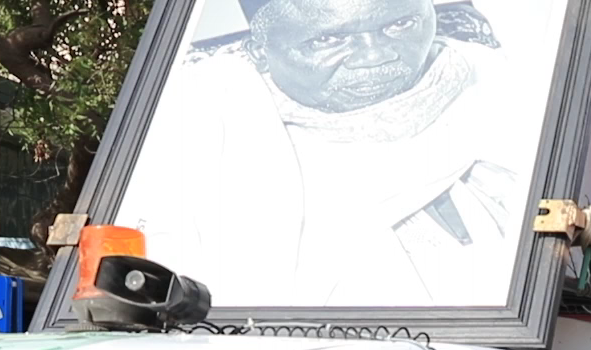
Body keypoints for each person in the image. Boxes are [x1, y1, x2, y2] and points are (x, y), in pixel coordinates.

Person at [117, 0, 541, 307]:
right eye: (330, 38)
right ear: (261, 50)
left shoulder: (512, 87)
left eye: (400, 24)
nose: (377, 55)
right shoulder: (203, 135)